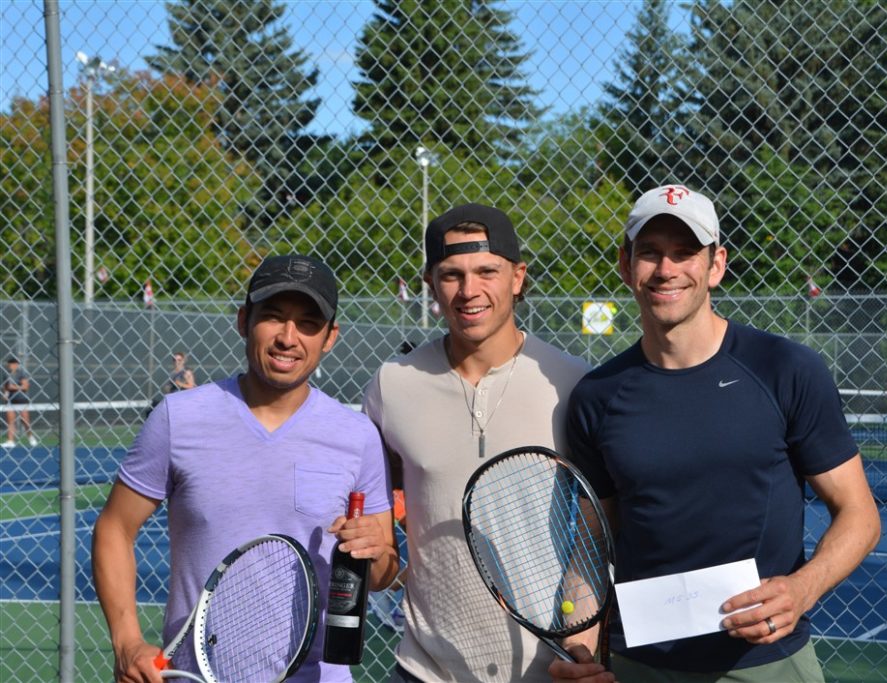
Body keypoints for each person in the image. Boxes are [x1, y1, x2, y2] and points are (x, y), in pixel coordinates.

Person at [551, 185, 880, 683]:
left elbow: (860, 514)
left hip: (767, 663)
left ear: (716, 265)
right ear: (626, 265)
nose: (666, 270)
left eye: (685, 253)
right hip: (639, 664)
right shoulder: (597, 396)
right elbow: (593, 544)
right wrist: (580, 645)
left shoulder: (785, 369)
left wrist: (802, 588)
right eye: (650, 253)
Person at [92, 254, 399, 683]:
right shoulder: (177, 418)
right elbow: (114, 529)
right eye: (273, 317)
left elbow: (384, 574)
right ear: (243, 321)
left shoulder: (358, 436)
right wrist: (126, 641)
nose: (288, 337)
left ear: (330, 338)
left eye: (308, 323)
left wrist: (378, 552)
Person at [363, 203, 591, 682]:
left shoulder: (572, 382)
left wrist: (581, 644)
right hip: (424, 669)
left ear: (517, 277)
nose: (470, 291)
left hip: (547, 671)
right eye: (452, 274)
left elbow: (597, 532)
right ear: (430, 284)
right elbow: (379, 537)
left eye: (487, 271)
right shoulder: (391, 385)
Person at [3, 356, 38, 448]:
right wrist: (6, 394)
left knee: (25, 421)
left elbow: (25, 386)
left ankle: (30, 437)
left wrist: (14, 387)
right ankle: (10, 441)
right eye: (9, 364)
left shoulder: (21, 373)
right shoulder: (6, 374)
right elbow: (6, 387)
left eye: (12, 364)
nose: (10, 366)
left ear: (16, 365)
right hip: (11, 400)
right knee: (10, 421)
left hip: (22, 400)